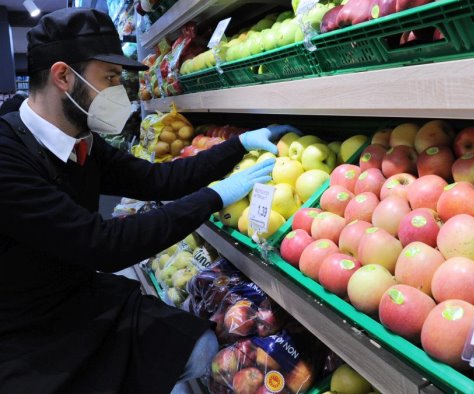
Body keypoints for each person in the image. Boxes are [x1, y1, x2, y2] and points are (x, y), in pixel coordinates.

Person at [0, 8, 299, 394]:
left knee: (198, 346)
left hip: (79, 297)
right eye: (108, 78)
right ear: (62, 77)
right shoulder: (9, 157)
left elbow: (157, 179)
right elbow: (103, 245)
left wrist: (237, 145)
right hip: (26, 330)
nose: (118, 91)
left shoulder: (81, 140)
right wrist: (216, 196)